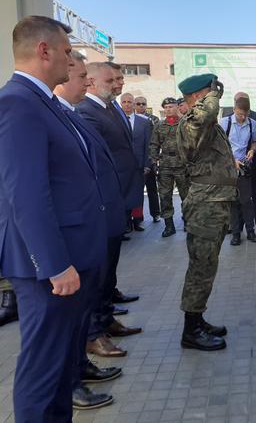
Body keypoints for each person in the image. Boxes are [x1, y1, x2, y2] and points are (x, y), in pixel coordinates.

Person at [0, 16, 107, 422]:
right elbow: (25, 194)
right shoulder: (17, 102)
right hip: (51, 269)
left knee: (62, 368)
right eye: (65, 51)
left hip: (71, 261)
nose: (71, 59)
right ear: (43, 51)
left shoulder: (45, 102)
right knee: (43, 372)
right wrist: (54, 264)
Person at [54, 50, 124, 409]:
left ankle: (81, 367)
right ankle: (70, 383)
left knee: (83, 307)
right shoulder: (47, 113)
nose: (88, 83)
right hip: (67, 240)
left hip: (91, 225)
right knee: (63, 324)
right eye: (82, 77)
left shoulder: (71, 116)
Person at [77, 62, 143, 340]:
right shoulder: (85, 112)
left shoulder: (109, 108)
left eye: (120, 79)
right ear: (91, 81)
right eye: (112, 79)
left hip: (119, 196)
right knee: (101, 270)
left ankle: (107, 317)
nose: (119, 84)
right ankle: (97, 328)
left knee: (110, 265)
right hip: (104, 201)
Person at [177, 74, 236, 351]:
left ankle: (197, 320)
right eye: (208, 92)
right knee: (201, 267)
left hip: (215, 202)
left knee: (207, 266)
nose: (215, 95)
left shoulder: (205, 123)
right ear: (196, 97)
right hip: (205, 205)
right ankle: (191, 331)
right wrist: (211, 96)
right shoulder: (192, 122)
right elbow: (205, 113)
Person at [221, 97, 256, 245]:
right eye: (239, 114)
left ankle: (250, 231)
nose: (242, 118)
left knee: (246, 201)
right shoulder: (224, 123)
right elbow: (219, 148)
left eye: (245, 115)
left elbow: (255, 142)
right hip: (229, 167)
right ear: (234, 110)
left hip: (245, 166)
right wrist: (233, 161)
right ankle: (236, 234)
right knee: (233, 202)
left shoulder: (253, 123)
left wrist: (252, 150)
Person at [149, 97, 190, 237]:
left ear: (177, 107)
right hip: (165, 165)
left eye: (171, 107)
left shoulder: (184, 124)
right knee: (165, 196)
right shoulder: (159, 125)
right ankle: (169, 225)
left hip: (182, 165)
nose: (168, 109)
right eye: (166, 107)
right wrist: (154, 162)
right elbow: (154, 145)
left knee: (186, 196)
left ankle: (188, 222)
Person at [120, 92, 153, 232]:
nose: (127, 105)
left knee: (138, 193)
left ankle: (138, 221)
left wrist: (147, 164)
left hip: (139, 164)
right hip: (122, 165)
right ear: (121, 104)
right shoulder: (117, 120)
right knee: (124, 193)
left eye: (130, 102)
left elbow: (148, 144)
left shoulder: (144, 122)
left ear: (134, 104)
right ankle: (126, 222)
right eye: (124, 102)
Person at [134, 96, 161, 223]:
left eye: (143, 104)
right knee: (137, 191)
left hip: (149, 158)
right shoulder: (129, 119)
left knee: (152, 189)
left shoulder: (154, 119)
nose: (140, 106)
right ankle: (138, 218)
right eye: (138, 104)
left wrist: (153, 161)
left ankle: (156, 213)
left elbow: (155, 140)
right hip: (135, 161)